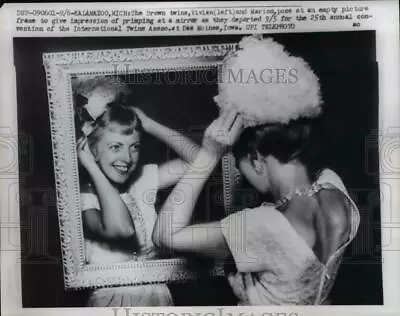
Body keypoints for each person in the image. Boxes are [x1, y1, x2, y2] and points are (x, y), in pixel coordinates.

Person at [152, 36, 360, 305]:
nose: (241, 178)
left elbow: (164, 236)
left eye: (241, 168)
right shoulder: (335, 187)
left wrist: (209, 154)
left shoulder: (264, 225)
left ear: (256, 159)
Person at [76, 78, 201, 306]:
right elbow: (122, 229)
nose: (127, 157)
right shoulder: (83, 199)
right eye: (115, 147)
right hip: (111, 302)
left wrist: (149, 124)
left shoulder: (142, 180)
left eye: (134, 146)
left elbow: (200, 162)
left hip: (157, 296)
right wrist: (92, 168)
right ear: (90, 151)